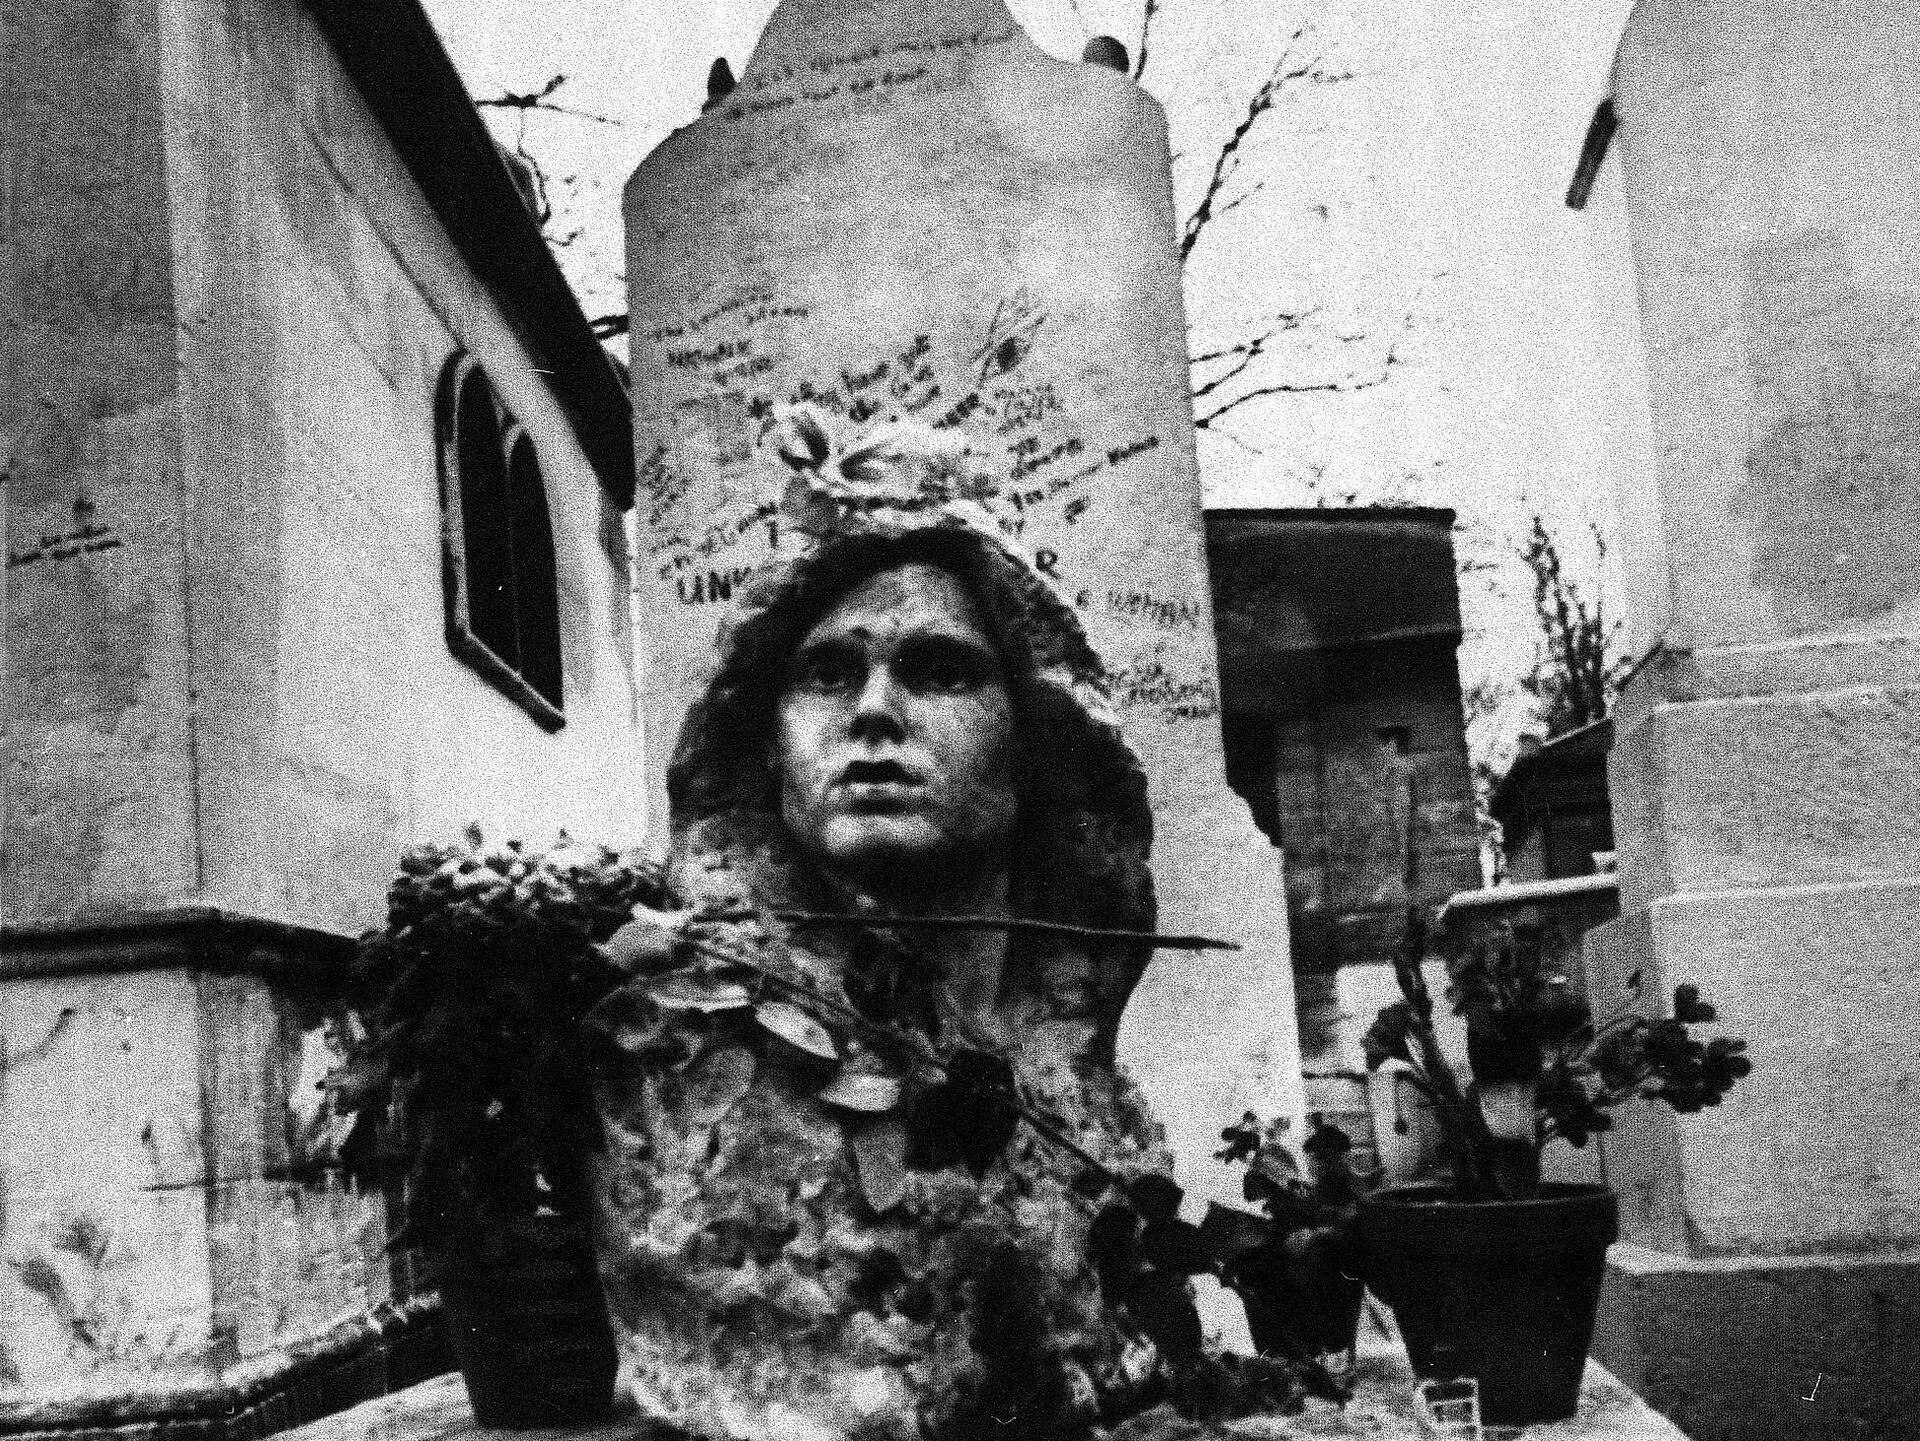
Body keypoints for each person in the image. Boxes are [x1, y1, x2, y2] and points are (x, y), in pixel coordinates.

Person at [590, 438, 1178, 1441]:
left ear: (1033, 737)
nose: (872, 712)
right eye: (827, 672)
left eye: (940, 671)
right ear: (764, 742)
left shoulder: (1089, 1113)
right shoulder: (677, 1077)